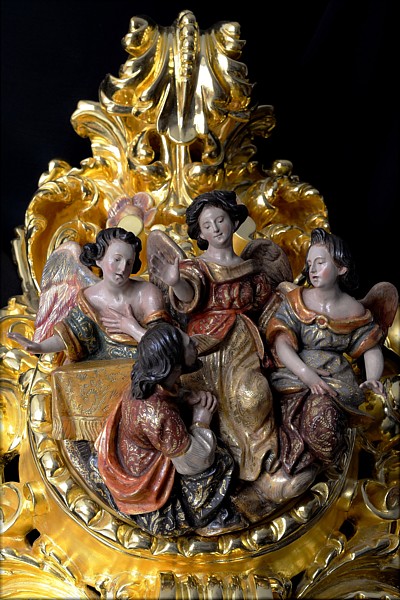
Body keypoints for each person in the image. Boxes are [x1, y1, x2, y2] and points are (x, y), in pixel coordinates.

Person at [149, 190, 292, 487]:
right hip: (203, 349)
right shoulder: (196, 268)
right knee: (203, 402)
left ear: (233, 221)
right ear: (200, 233)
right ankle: (213, 467)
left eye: (220, 220)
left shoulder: (252, 268)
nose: (215, 229)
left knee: (253, 397)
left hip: (243, 345)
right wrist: (175, 282)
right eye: (207, 225)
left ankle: (260, 460)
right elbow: (188, 296)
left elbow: (268, 305)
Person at [93, 322, 245, 537]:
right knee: (221, 461)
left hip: (141, 448)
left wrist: (183, 396)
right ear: (174, 365)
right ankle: (202, 517)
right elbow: (192, 462)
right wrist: (201, 420)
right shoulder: (159, 414)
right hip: (148, 484)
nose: (195, 343)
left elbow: (165, 396)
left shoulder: (147, 382)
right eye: (188, 344)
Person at [265, 227, 393, 480]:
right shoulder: (296, 300)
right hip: (293, 375)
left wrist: (372, 378)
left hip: (335, 381)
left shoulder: (354, 310)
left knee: (326, 421)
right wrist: (307, 375)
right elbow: (281, 343)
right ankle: (285, 464)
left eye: (320, 263)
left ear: (341, 268)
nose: (312, 270)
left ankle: (324, 472)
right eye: (309, 263)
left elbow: (370, 347)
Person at [8, 227, 170, 360]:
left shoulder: (147, 294)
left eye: (129, 263)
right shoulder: (88, 298)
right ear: (99, 259)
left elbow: (164, 346)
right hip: (102, 369)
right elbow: (71, 335)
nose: (122, 269)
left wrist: (131, 328)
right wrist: (39, 347)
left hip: (145, 365)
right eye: (117, 260)